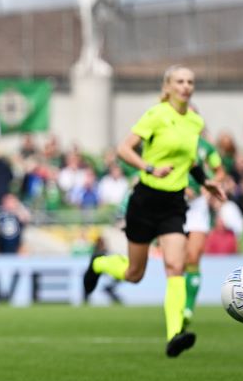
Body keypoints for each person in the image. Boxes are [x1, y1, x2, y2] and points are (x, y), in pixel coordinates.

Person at [82, 65, 224, 357]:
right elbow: (124, 149)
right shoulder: (156, 115)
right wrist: (149, 167)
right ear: (168, 86)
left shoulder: (195, 122)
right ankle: (98, 264)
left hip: (174, 204)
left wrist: (206, 183)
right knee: (135, 273)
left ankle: (174, 336)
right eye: (180, 81)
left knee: (176, 266)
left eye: (190, 82)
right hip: (145, 200)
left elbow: (191, 162)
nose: (186, 86)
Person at [183, 134, 224, 324]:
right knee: (176, 261)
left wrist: (206, 188)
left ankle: (188, 308)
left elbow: (219, 171)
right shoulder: (171, 140)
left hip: (197, 206)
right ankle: (178, 304)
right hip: (173, 202)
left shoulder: (206, 147)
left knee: (193, 257)